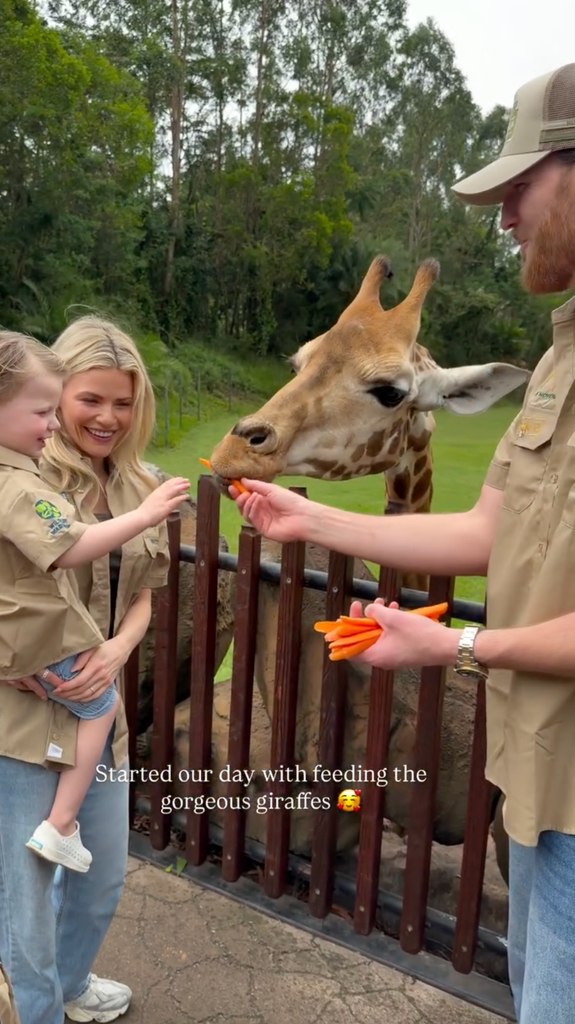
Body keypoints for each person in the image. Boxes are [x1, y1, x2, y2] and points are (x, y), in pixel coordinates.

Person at [232, 64, 575, 1024]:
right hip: (541, 787)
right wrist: (308, 520)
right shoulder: (560, 360)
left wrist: (456, 644)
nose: (502, 216)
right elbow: (486, 529)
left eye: (521, 185)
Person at [0, 316, 185, 1023]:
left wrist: (116, 650)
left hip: (97, 712)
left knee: (100, 874)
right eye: (89, 399)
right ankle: (38, 1008)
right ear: (54, 396)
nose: (108, 417)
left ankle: (69, 985)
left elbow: (142, 596)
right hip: (23, 721)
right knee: (27, 896)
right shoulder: (21, 476)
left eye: (124, 402)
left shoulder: (141, 486)